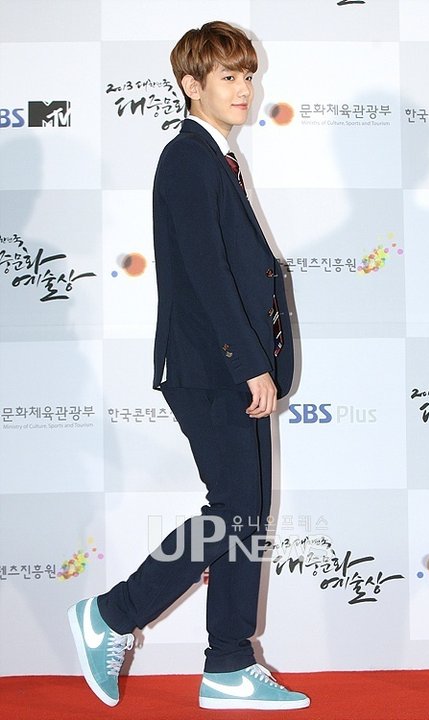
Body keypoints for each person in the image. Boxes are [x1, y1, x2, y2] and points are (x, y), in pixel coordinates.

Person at [68, 21, 309, 711]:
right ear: (191, 84)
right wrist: (246, 363)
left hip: (232, 367)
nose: (244, 88)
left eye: (248, 75)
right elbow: (206, 275)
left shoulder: (219, 159)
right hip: (210, 369)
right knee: (233, 514)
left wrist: (262, 362)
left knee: (245, 518)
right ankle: (112, 614)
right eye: (229, 76)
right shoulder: (187, 158)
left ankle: (229, 664)